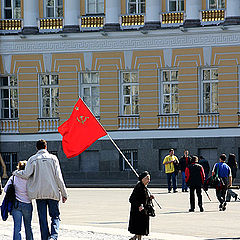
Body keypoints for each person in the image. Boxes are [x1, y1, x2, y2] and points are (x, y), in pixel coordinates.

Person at [14, 139, 68, 240]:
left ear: (36, 148)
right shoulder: (53, 158)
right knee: (55, 216)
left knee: (42, 218)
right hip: (53, 192)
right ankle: (53, 236)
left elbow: (26, 174)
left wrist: (16, 172)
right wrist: (64, 194)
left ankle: (44, 238)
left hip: (39, 194)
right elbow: (59, 177)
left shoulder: (32, 159)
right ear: (46, 147)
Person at [4, 161, 34, 240]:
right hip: (27, 204)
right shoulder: (30, 178)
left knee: (17, 227)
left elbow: (6, 189)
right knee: (28, 226)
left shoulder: (14, 177)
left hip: (16, 204)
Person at [128, 171, 154, 240]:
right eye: (147, 178)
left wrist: (149, 198)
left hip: (143, 210)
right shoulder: (139, 187)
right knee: (139, 227)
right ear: (142, 179)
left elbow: (144, 199)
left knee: (141, 227)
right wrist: (139, 205)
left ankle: (134, 238)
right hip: (138, 211)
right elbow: (131, 199)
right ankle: (138, 238)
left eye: (149, 179)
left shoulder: (144, 187)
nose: (149, 180)